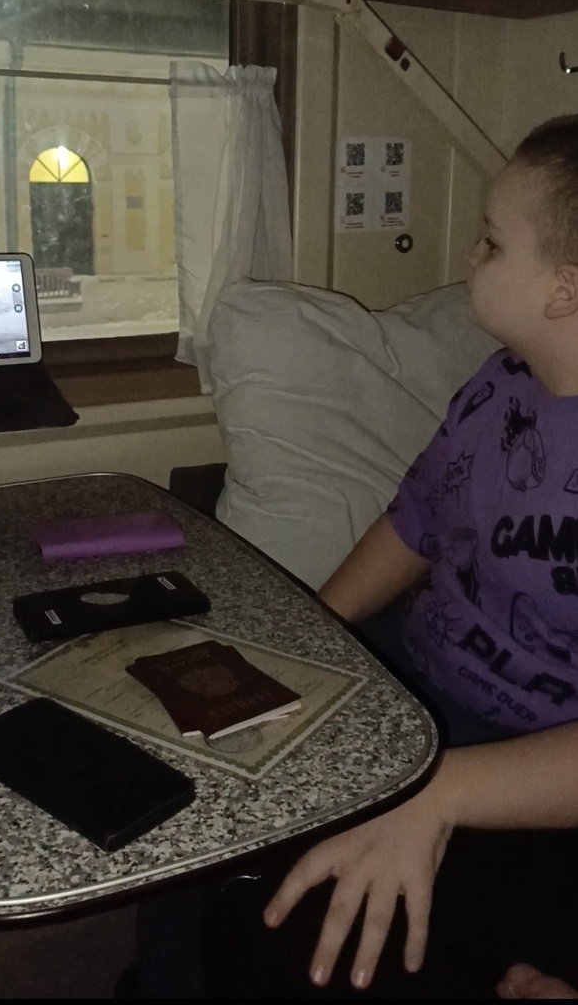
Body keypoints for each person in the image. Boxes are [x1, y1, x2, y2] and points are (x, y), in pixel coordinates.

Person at [262, 114, 578, 995]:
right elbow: (418, 520)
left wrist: (438, 792)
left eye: (491, 241)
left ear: (562, 290)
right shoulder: (501, 380)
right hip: (416, 677)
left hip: (528, 755)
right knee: (216, 805)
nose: (469, 257)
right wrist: (308, 633)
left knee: (320, 931)